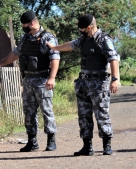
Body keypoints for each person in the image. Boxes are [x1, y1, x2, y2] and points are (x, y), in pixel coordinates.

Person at [0, 10, 60, 152]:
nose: (23, 27)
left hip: (43, 80)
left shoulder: (47, 38)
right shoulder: (25, 39)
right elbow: (14, 55)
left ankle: (51, 140)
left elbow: (55, 58)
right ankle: (32, 142)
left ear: (32, 23)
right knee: (29, 111)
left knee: (47, 111)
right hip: (28, 80)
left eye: (25, 24)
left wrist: (51, 78)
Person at [47, 14, 119, 156]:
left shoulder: (104, 39)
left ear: (89, 27)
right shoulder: (83, 39)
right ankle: (87, 146)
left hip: (99, 82)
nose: (80, 32)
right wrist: (55, 48)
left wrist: (115, 79)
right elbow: (70, 45)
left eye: (82, 29)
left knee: (102, 113)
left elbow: (113, 58)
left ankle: (106, 145)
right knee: (83, 115)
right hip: (83, 82)